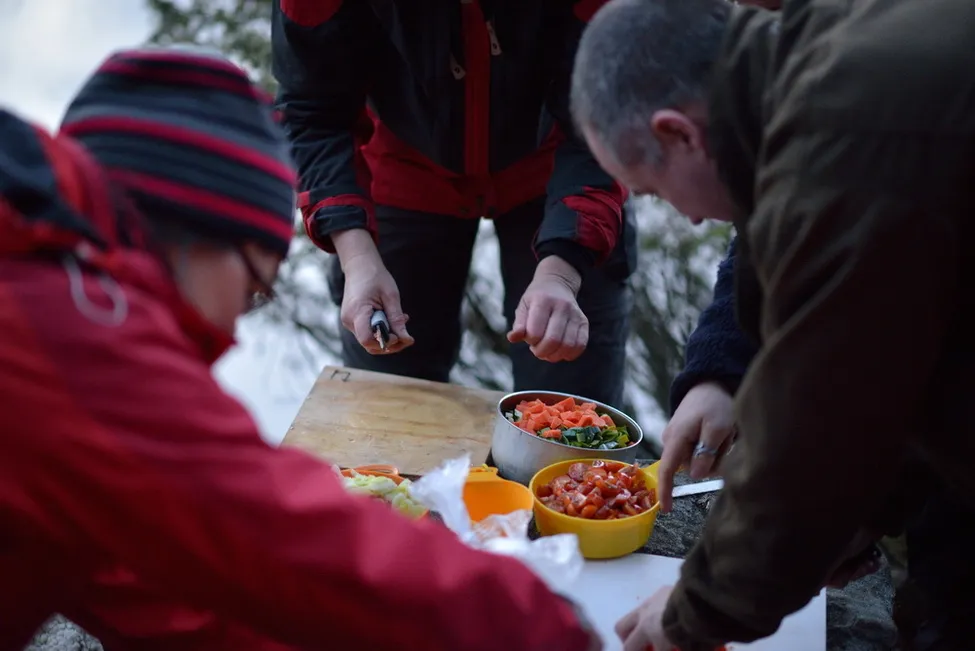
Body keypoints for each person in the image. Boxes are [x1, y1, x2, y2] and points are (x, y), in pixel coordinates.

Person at [0, 48, 602, 651]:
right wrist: (554, 630)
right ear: (200, 230)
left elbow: (139, 586)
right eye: (254, 290)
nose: (234, 331)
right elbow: (286, 533)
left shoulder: (39, 281)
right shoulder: (75, 332)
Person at [570, 0, 975, 649]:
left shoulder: (845, 151)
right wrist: (859, 519)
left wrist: (692, 611)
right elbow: (901, 358)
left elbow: (817, 429)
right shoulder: (819, 54)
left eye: (652, 190)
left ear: (679, 134)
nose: (689, 219)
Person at [271, 0, 634, 408]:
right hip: (399, 170)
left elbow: (610, 110)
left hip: (559, 170)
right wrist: (356, 257)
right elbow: (311, 110)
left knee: (569, 408)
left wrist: (563, 271)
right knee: (388, 408)